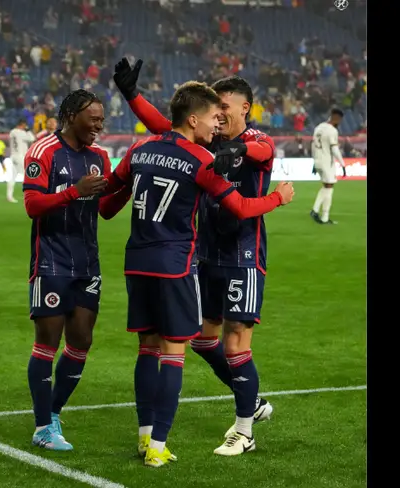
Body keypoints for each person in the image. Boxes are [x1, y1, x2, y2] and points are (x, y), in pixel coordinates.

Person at [103, 81, 295, 466]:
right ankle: (251, 400)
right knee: (203, 342)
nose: (219, 114)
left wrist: (238, 150)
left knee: (235, 343)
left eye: (225, 106)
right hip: (204, 255)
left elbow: (261, 150)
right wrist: (133, 95)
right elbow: (167, 126)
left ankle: (244, 430)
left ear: (245, 109)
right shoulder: (205, 145)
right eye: (214, 108)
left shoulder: (254, 141)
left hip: (242, 255)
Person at [22, 89, 132, 451]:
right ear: (71, 116)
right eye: (93, 119)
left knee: (82, 340)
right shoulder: (43, 151)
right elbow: (32, 205)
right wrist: (74, 191)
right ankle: (42, 427)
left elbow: (106, 209)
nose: (99, 125)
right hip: (51, 261)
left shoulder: (99, 156)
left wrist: (127, 186)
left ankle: (52, 413)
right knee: (47, 343)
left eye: (101, 120)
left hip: (87, 263)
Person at [311, 108, 346, 224]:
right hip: (327, 161)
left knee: (327, 187)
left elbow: (313, 146)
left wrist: (314, 162)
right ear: (337, 118)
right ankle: (319, 213)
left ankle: (320, 214)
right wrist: (343, 164)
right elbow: (335, 149)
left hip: (318, 160)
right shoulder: (332, 131)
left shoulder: (318, 127)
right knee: (329, 187)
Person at [8, 119, 37, 203]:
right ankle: (29, 196)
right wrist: (28, 130)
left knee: (13, 177)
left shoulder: (12, 132)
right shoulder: (21, 133)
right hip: (20, 156)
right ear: (22, 125)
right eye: (25, 125)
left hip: (13, 155)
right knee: (27, 176)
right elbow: (32, 138)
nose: (25, 127)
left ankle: (9, 196)